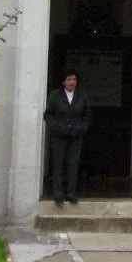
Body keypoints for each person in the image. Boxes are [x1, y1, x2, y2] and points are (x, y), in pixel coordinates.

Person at [43, 72, 91, 206]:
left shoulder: (82, 96)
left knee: (73, 165)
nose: (72, 82)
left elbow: (87, 116)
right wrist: (58, 127)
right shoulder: (55, 95)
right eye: (69, 79)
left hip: (76, 136)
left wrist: (81, 128)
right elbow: (48, 115)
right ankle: (58, 194)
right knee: (58, 164)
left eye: (74, 79)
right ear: (63, 82)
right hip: (59, 136)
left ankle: (71, 194)